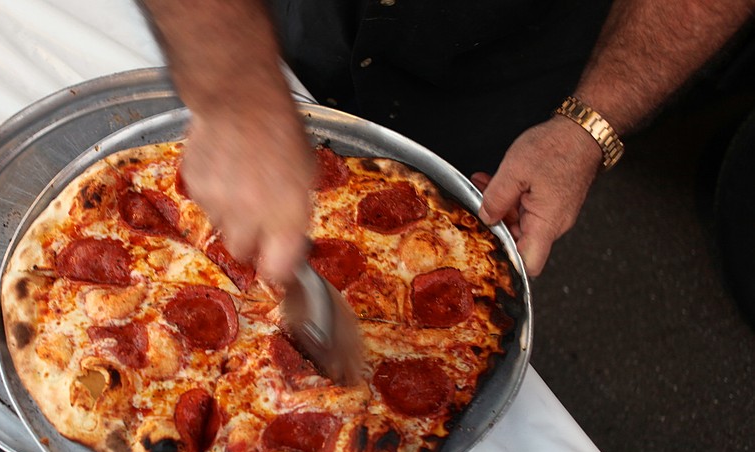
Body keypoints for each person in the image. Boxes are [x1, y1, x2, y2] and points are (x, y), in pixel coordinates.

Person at [140, 0, 754, 282]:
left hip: (503, 70)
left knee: (464, 249)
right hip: (276, 28)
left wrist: (587, 126)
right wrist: (237, 93)